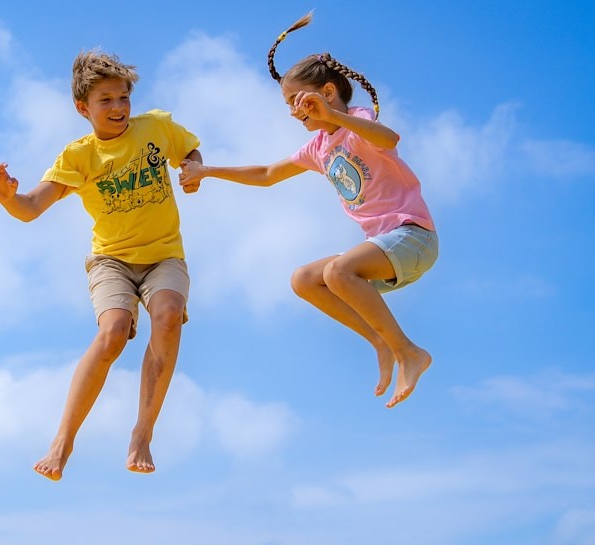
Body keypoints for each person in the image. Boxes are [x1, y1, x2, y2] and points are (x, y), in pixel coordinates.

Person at [179, 12, 437, 409]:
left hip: (413, 237)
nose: (292, 112)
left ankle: (409, 352)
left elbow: (390, 137)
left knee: (337, 270)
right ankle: (381, 343)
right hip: (386, 252)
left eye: (295, 101)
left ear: (328, 93)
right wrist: (207, 170)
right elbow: (266, 174)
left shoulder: (356, 123)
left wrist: (333, 117)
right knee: (304, 279)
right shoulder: (319, 149)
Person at [0, 50, 202, 480]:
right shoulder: (78, 157)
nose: (119, 107)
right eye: (106, 100)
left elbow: (191, 150)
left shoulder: (156, 128)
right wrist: (10, 198)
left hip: (163, 254)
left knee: (168, 315)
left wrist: (194, 170)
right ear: (82, 107)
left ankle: (142, 432)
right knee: (113, 332)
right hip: (112, 260)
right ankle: (62, 441)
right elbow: (31, 207)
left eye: (124, 97)